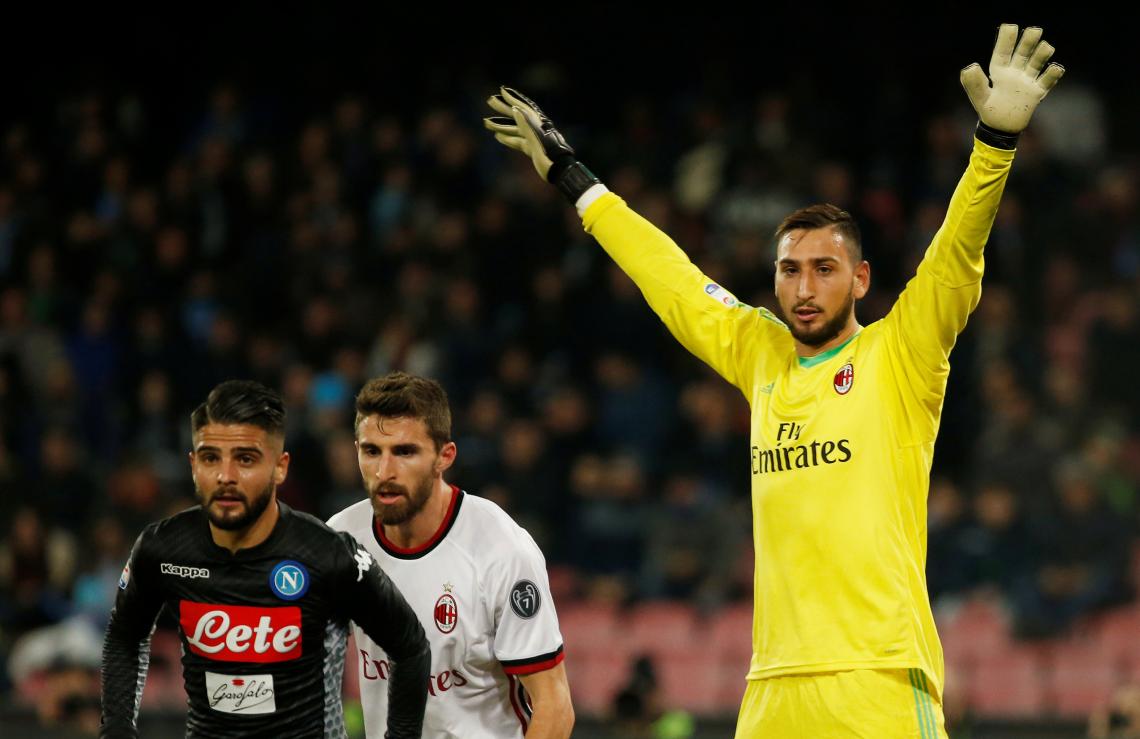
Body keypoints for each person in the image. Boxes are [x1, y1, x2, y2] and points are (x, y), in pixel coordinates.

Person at [484, 24, 1063, 738]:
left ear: (860, 278)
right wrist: (577, 181)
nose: (804, 287)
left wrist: (993, 148)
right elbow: (675, 281)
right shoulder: (760, 352)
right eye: (790, 269)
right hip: (771, 689)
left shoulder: (902, 352)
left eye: (825, 269)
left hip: (878, 679)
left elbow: (955, 255)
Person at [100, 380, 430, 738]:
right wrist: (117, 729)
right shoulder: (162, 548)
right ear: (194, 465)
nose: (226, 476)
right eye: (211, 458)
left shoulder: (328, 554)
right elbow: (124, 638)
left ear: (280, 467)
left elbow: (410, 648)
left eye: (245, 459)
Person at [327, 371, 574, 737]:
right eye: (371, 451)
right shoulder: (342, 539)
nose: (384, 471)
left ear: (445, 456)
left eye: (405, 451)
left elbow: (554, 708)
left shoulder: (502, 549)